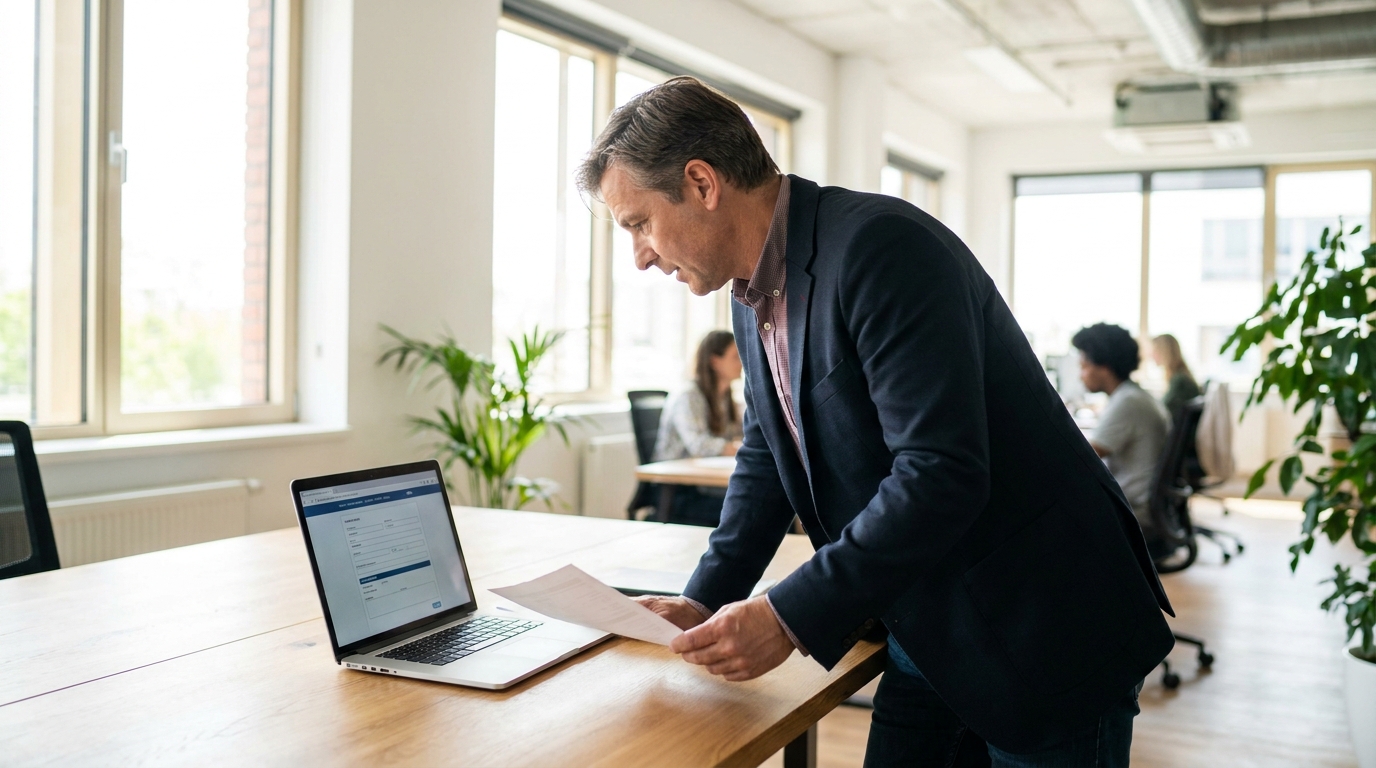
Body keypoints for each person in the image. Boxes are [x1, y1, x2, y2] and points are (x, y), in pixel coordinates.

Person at [576, 76, 1173, 767]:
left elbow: (941, 472)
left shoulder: (879, 249)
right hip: (929, 617)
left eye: (638, 223)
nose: (641, 255)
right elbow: (769, 457)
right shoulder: (750, 295)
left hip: (1038, 622)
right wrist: (705, 600)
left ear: (703, 182)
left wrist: (787, 615)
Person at [1074, 323, 1170, 529]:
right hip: (1141, 504)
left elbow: (1082, 459)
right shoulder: (1133, 396)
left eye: (1084, 366)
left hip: (1131, 511)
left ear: (1104, 367)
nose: (1080, 375)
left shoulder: (1127, 402)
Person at [652, 330, 744, 526]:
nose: (742, 362)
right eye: (735, 356)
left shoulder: (726, 397)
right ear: (715, 361)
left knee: (767, 504)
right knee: (750, 513)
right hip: (680, 491)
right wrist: (735, 448)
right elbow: (698, 445)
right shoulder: (689, 396)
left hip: (707, 486)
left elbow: (739, 434)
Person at [1152, 333, 1201, 419]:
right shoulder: (1181, 376)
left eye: (1155, 350)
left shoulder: (1179, 380)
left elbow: (1162, 409)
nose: (1152, 355)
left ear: (1164, 352)